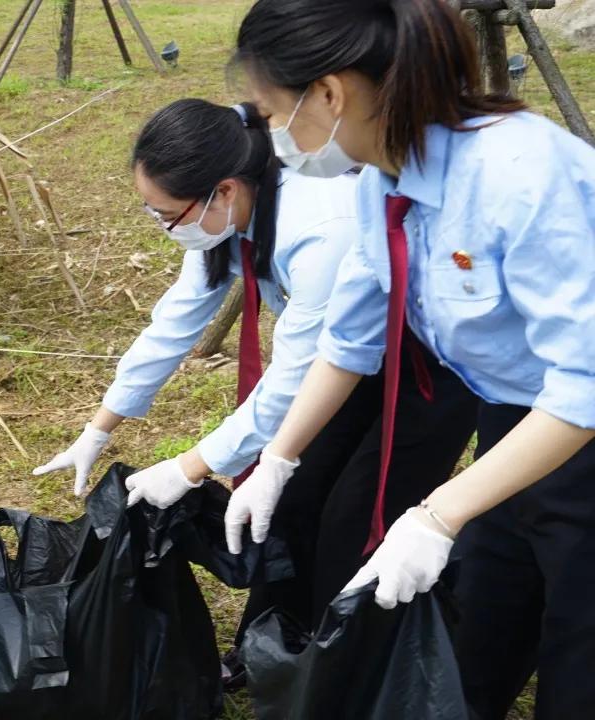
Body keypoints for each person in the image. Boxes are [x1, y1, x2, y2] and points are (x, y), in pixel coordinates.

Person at [229, 1, 595, 717]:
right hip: (518, 413)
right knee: (482, 628)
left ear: (330, 94)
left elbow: (586, 384)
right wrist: (278, 458)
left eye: (273, 113)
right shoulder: (384, 183)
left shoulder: (519, 177)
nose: (272, 139)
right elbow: (350, 342)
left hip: (575, 414)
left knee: (579, 646)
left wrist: (435, 514)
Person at [34, 99, 477, 684]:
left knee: (356, 515)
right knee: (292, 501)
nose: (164, 225)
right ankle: (267, 647)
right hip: (342, 361)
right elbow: (175, 324)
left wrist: (191, 467)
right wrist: (101, 425)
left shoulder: (320, 228)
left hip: (428, 363)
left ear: (222, 191)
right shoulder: (225, 219)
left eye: (167, 214)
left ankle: (333, 665)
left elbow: (292, 378)